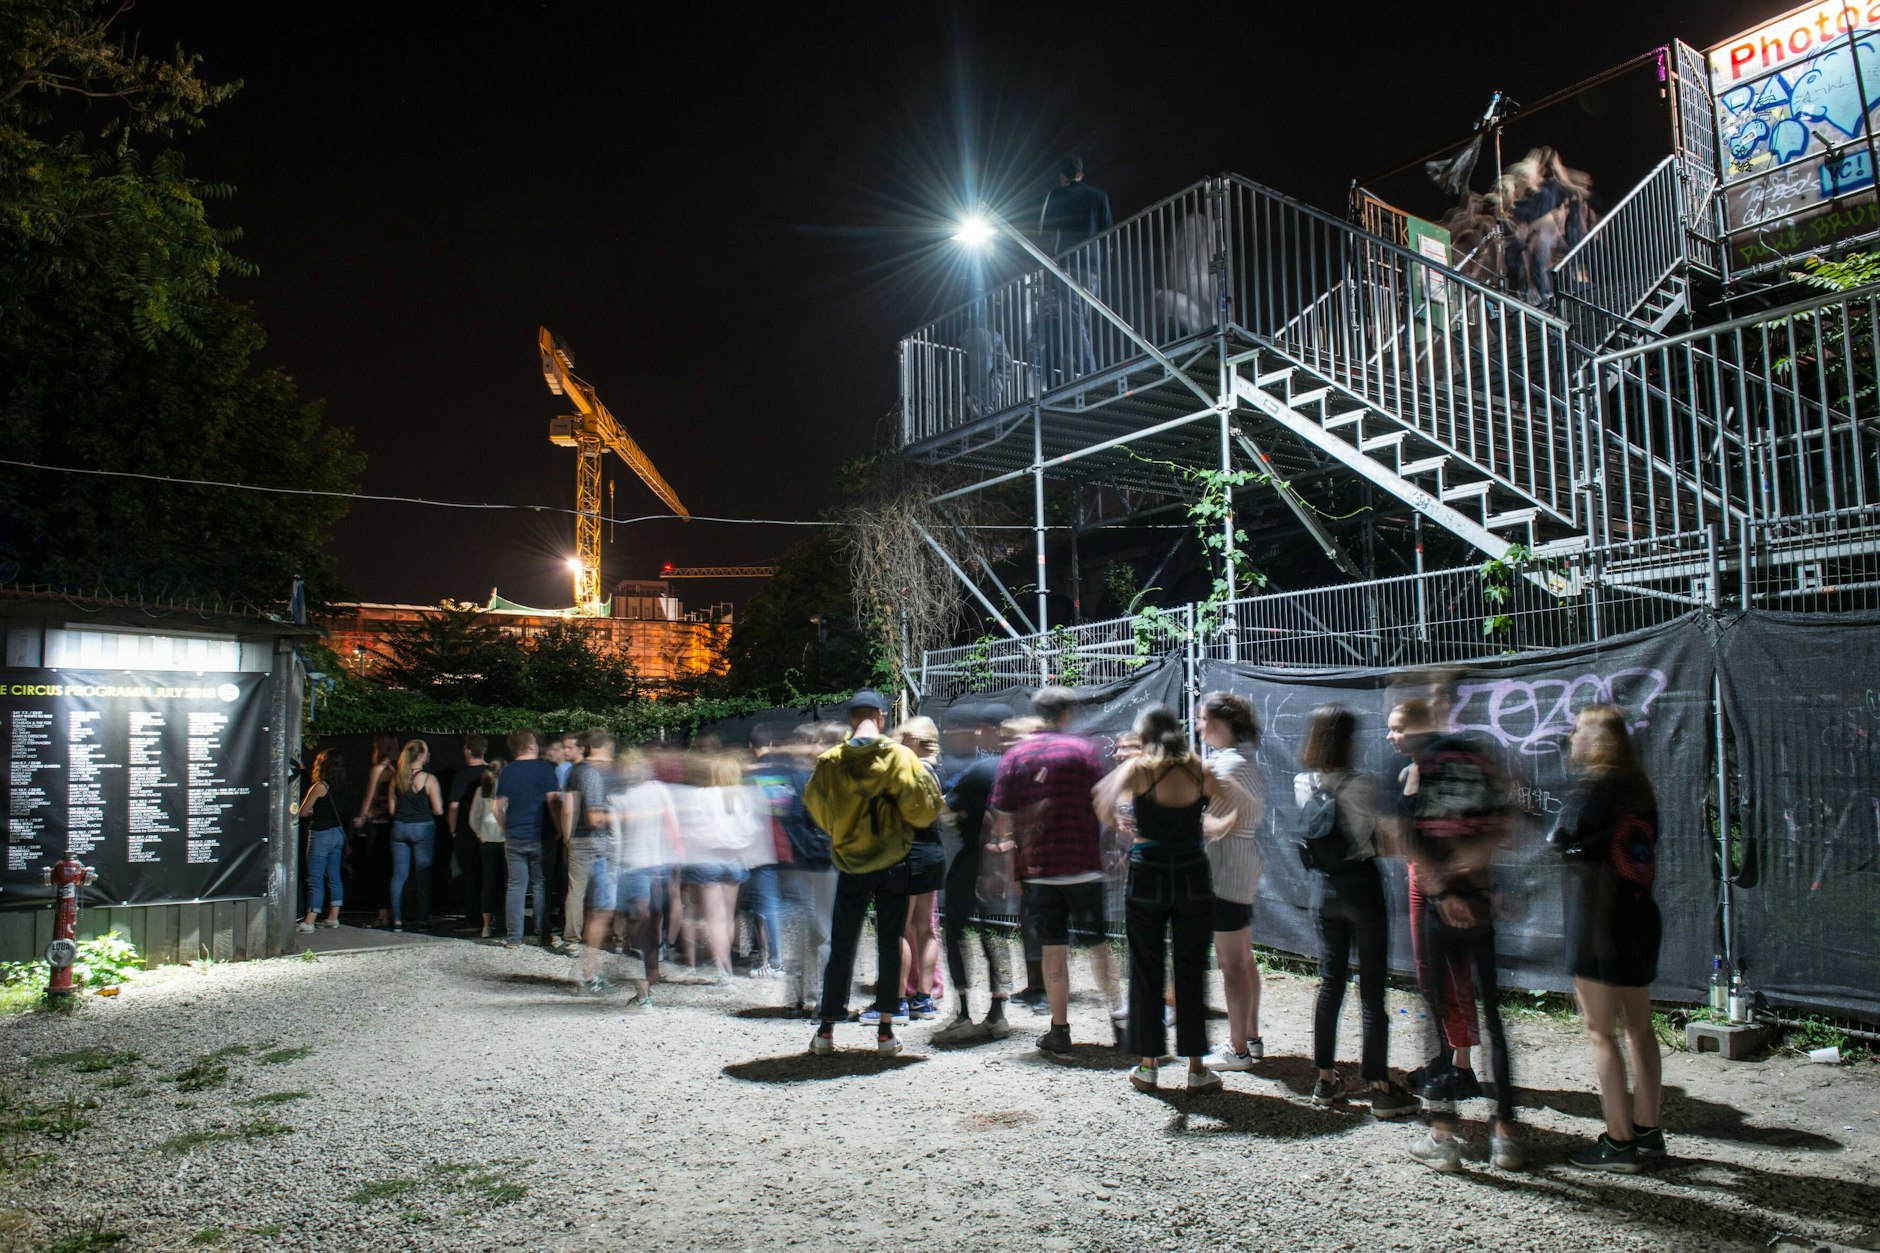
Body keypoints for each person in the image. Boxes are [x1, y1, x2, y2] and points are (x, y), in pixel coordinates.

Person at [1096, 704, 1253, 1093]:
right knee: (1190, 966)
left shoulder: (1139, 768)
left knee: (1146, 965)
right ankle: (1197, 1068)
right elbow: (1243, 804)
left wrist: (1117, 821)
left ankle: (1148, 1067)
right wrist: (1215, 825)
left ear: (1146, 735)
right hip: (1192, 872)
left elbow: (1101, 795)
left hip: (1148, 868)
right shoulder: (1200, 767)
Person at [1403, 674, 1523, 1172]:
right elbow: (1502, 820)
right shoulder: (1478, 757)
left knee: (1438, 1013)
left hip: (1448, 901)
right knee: (1493, 1016)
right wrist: (1473, 872)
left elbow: (1409, 836)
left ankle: (1444, 1136)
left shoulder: (1429, 765)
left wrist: (1446, 883)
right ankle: (1506, 1136)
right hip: (1475, 896)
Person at [1555, 705, 1665, 1173]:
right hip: (1640, 916)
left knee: (1601, 1033)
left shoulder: (1591, 791)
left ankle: (1618, 1143)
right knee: (1640, 1028)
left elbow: (1564, 842)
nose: (1571, 736)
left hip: (1598, 925)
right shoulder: (1638, 789)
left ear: (1596, 739)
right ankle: (1647, 1129)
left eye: (1579, 729)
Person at [803, 690, 942, 1057]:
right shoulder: (900, 757)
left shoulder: (831, 761)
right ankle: (884, 1034)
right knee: (890, 944)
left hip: (851, 862)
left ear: (852, 718)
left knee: (843, 944)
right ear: (882, 716)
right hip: (894, 862)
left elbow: (816, 806)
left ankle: (826, 1031)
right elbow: (926, 808)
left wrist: (842, 830)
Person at [1296, 706, 1418, 1118]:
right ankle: (1380, 1085)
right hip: (1362, 888)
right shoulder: (1361, 784)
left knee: (1330, 983)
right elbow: (1384, 841)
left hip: (1323, 890)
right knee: (1372, 989)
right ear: (1347, 740)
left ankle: (1326, 1079)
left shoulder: (1302, 782)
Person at [990, 687, 1121, 1059]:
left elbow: (1001, 815)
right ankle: (1119, 1022)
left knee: (1053, 950)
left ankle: (1060, 1029)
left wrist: (1009, 863)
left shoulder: (1017, 755)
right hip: (1083, 864)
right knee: (1098, 945)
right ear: (1067, 714)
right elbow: (1102, 801)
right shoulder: (1083, 752)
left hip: (1040, 870)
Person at [1388, 699, 1481, 1099]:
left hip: (1446, 881)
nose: (1391, 737)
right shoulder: (1408, 772)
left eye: (1398, 729)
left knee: (1453, 970)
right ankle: (1446, 1055)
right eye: (1390, 729)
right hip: (1417, 876)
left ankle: (1463, 1068)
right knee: (1428, 971)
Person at [932, 707, 1016, 1045]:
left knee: (955, 931)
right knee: (993, 933)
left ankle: (964, 1010)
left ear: (985, 730)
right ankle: (998, 1011)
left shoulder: (980, 769)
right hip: (1003, 861)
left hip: (972, 859)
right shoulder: (1012, 769)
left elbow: (944, 810)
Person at [1197, 692, 1267, 1072]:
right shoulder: (1240, 761)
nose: (1198, 725)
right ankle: (1249, 1040)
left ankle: (1238, 1047)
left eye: (1201, 718)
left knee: (1231, 963)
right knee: (1242, 958)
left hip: (1225, 869)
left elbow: (1213, 825)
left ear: (1219, 723)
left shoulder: (1226, 768)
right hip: (1238, 866)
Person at [1038, 155, 1113, 377]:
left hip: (1067, 265)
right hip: (1090, 266)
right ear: (1081, 174)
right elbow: (1107, 234)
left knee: (1075, 322)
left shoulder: (1056, 195)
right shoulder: (1099, 196)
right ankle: (1071, 359)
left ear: (1062, 176)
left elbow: (1046, 233)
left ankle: (1090, 372)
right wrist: (1103, 266)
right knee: (1080, 321)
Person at [894, 716, 948, 1022]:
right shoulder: (938, 767)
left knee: (901, 927)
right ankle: (923, 999)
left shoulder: (913, 769)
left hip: (910, 850)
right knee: (925, 929)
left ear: (915, 739)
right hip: (933, 850)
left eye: (904, 737)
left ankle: (898, 999)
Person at [493, 731, 560, 948]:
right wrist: (559, 828)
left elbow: (497, 805)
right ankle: (542, 934)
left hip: (515, 836)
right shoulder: (545, 769)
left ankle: (514, 938)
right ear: (531, 745)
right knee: (541, 884)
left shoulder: (507, 771)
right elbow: (552, 802)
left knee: (516, 886)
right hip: (541, 835)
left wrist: (505, 827)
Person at [566, 729, 622, 986]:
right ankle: (588, 974)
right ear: (606, 745)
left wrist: (566, 836)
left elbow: (567, 808)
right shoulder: (590, 773)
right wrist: (629, 816)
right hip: (597, 847)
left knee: (589, 904)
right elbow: (593, 817)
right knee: (600, 911)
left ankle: (587, 970)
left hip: (583, 844)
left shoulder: (576, 771)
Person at [386, 739, 443, 931]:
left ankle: (397, 920)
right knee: (422, 875)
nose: (428, 755)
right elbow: (438, 810)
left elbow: (392, 809)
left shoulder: (396, 779)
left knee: (399, 875)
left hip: (400, 828)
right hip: (422, 828)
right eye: (427, 752)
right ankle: (423, 919)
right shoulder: (429, 779)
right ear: (420, 756)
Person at [297, 749, 349, 932]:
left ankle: (309, 921)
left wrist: (312, 812)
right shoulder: (342, 786)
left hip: (321, 834)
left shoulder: (320, 786)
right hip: (338, 834)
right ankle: (333, 918)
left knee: (315, 879)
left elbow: (303, 811)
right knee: (334, 877)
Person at [352, 733, 399, 927]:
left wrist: (360, 819)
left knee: (376, 870)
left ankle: (381, 914)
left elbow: (369, 797)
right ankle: (393, 911)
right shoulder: (395, 769)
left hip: (375, 823)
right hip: (392, 824)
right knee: (390, 869)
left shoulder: (378, 769)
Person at [445, 735, 491, 930]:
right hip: (491, 831)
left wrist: (452, 829)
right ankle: (490, 915)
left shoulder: (462, 775)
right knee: (489, 875)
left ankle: (473, 917)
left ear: (467, 750)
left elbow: (454, 805)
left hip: (467, 831)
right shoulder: (493, 772)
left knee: (471, 877)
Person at [468, 761, 507, 938]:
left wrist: (481, 834)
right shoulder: (507, 792)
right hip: (505, 840)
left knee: (488, 882)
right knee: (508, 883)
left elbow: (473, 819)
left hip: (487, 841)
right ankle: (507, 921)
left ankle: (486, 925)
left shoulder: (480, 791)